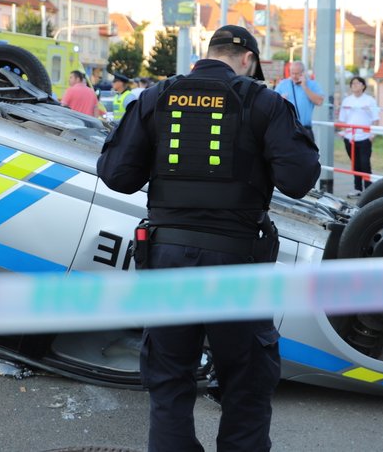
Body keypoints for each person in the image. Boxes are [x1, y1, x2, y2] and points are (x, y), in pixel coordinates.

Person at [96, 24, 320, 452]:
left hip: (166, 261)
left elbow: (116, 174)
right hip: (237, 265)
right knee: (246, 385)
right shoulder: (263, 101)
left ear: (207, 53)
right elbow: (299, 179)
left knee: (169, 382)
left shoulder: (156, 97)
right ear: (248, 61)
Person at [339, 76, 380, 197]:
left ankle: (368, 189)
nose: (355, 85)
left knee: (365, 163)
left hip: (364, 137)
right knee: (355, 164)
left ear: (363, 85)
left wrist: (372, 134)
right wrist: (344, 133)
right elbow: (342, 119)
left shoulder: (369, 100)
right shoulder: (347, 101)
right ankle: (357, 188)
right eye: (352, 84)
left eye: (357, 83)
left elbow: (376, 118)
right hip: (350, 138)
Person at [274, 61, 323, 138]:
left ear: (303, 73)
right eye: (292, 73)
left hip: (305, 129)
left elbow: (319, 101)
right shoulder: (283, 84)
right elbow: (273, 104)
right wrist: (280, 100)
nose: (293, 76)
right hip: (287, 129)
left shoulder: (312, 84)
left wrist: (304, 87)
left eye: (296, 73)